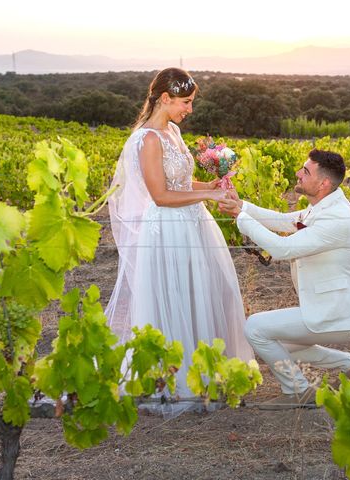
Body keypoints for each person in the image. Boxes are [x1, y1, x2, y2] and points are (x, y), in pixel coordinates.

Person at [105, 67, 254, 415]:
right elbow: (160, 195)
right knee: (172, 298)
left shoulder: (172, 131)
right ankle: (173, 378)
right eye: (185, 102)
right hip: (167, 230)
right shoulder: (147, 140)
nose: (189, 109)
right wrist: (210, 199)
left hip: (190, 225)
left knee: (196, 295)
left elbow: (183, 184)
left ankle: (202, 370)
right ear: (164, 99)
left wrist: (213, 187)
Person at [218, 149, 350, 410]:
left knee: (255, 328)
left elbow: (282, 249)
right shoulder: (325, 205)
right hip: (330, 308)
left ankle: (298, 390)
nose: (298, 173)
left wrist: (241, 219)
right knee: (278, 343)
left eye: (306, 171)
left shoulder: (335, 218)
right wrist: (241, 206)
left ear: (323, 183)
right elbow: (283, 220)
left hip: (340, 313)